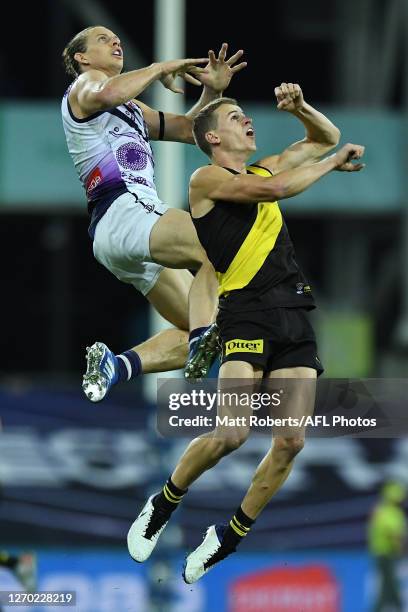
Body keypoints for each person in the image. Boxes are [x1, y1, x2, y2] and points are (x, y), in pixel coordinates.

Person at [126, 84, 366, 583]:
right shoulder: (205, 179)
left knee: (291, 441)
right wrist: (331, 163)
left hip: (294, 310)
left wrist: (302, 110)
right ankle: (163, 504)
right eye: (236, 117)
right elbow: (281, 188)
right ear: (213, 136)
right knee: (233, 432)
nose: (247, 121)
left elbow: (326, 136)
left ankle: (227, 538)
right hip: (245, 314)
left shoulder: (263, 167)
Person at [61, 26, 247, 400]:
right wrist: (160, 67)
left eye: (116, 38)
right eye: (102, 39)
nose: (115, 42)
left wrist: (213, 91)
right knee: (221, 243)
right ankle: (200, 340)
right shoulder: (85, 87)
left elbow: (188, 130)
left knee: (206, 322)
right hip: (125, 208)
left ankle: (117, 365)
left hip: (119, 233)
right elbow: (109, 91)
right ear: (82, 59)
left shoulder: (130, 107)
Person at [368, 481, 407, 611]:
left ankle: (392, 607)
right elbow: (395, 534)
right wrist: (403, 549)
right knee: (389, 585)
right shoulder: (391, 512)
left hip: (381, 553)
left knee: (388, 585)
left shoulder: (380, 510)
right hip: (387, 554)